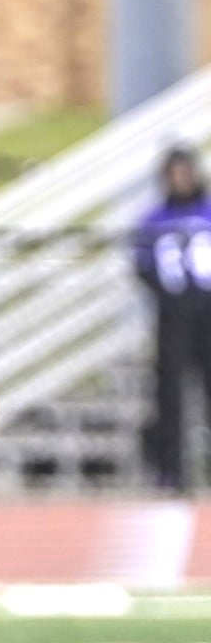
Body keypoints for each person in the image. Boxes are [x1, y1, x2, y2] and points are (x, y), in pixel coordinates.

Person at [132, 144, 211, 492]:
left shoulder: (207, 212)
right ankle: (171, 471)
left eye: (184, 173)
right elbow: (142, 266)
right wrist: (169, 298)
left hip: (207, 315)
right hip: (172, 317)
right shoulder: (153, 220)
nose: (180, 180)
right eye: (173, 174)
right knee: (169, 396)